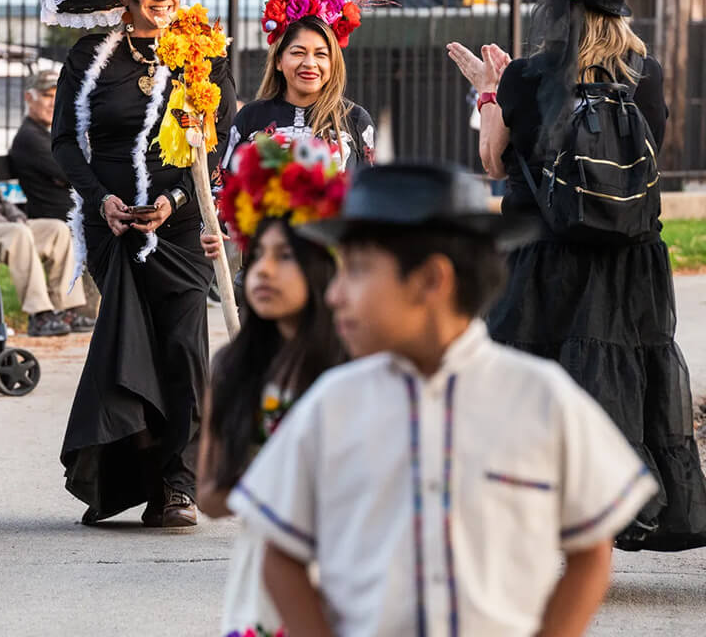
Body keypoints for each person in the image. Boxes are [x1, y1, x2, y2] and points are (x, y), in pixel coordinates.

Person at [230, 165, 658, 637]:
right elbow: (279, 554)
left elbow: (591, 549)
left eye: (355, 270)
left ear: (431, 280)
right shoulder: (332, 405)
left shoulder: (541, 399)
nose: (333, 294)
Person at [447, 0, 706, 551]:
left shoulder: (528, 75)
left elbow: (492, 160)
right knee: (619, 380)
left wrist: (490, 92)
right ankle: (620, 507)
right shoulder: (647, 74)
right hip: (629, 259)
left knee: (537, 385)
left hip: (545, 254)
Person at [42, 0, 247, 527]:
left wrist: (176, 198)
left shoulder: (205, 54)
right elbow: (64, 143)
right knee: (132, 345)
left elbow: (218, 144)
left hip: (180, 226)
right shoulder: (90, 56)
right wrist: (102, 199)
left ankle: (178, 486)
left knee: (183, 348)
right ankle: (129, 476)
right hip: (113, 226)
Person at [197, 135, 347, 637]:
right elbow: (211, 499)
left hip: (351, 570)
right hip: (263, 577)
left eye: (284, 257)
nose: (262, 271)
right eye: (257, 255)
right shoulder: (233, 369)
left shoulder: (356, 368)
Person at [220, 0, 378, 176]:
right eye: (298, 52)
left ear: (334, 63)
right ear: (279, 61)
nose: (310, 63)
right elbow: (223, 191)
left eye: (321, 54)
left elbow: (370, 197)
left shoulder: (356, 120)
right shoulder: (250, 118)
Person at [0, 153, 93, 337]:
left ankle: (63, 309)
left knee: (57, 230)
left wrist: (16, 216)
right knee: (19, 234)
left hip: (7, 221)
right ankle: (39, 315)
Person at [8, 70, 73, 221]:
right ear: (29, 98)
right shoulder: (30, 137)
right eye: (47, 96)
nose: (53, 103)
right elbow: (74, 172)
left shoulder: (47, 134)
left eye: (58, 96)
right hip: (57, 222)